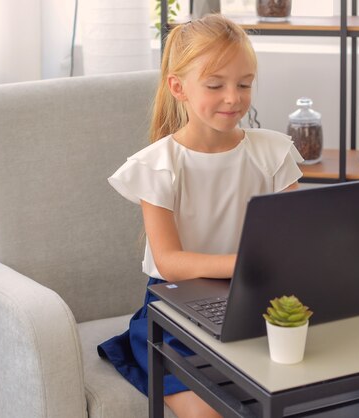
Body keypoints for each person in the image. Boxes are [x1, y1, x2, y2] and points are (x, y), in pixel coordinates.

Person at [97, 14, 303, 418]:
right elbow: (170, 263)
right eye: (215, 85)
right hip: (177, 313)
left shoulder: (273, 153)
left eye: (244, 84)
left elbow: (292, 239)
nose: (234, 97)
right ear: (179, 88)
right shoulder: (158, 165)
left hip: (258, 301)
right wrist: (246, 264)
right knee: (210, 411)